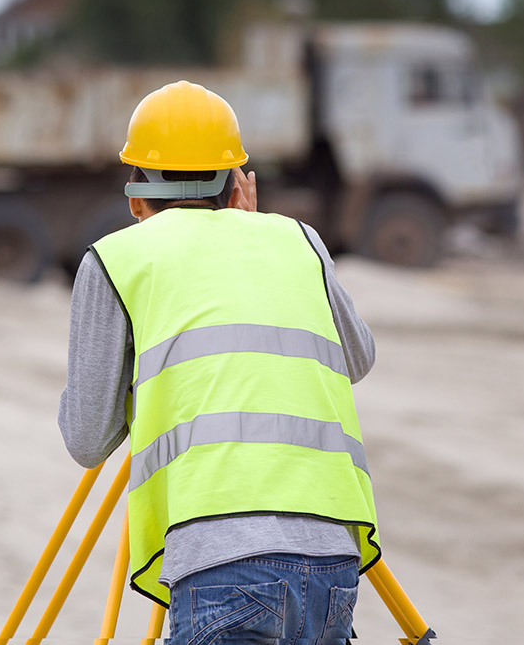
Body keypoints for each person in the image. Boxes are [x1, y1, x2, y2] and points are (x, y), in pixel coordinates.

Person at [59, 80, 381, 643]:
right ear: (237, 183)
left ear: (135, 197)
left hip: (221, 562)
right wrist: (250, 229)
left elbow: (87, 439)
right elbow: (357, 358)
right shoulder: (300, 240)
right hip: (333, 558)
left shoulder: (116, 259)